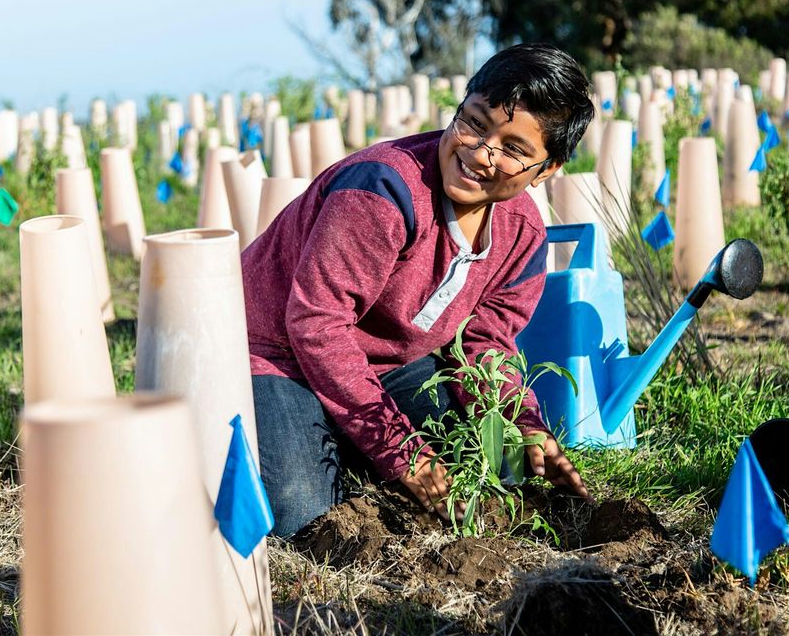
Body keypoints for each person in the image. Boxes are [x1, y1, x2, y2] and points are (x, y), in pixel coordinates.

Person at [242, 43, 596, 538]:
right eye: (474, 122)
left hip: (388, 365)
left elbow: (487, 343)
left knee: (488, 469)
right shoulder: (382, 192)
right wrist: (402, 455)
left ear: (548, 168)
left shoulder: (522, 235)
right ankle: (327, 439)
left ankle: (347, 438)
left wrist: (525, 425)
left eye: (514, 149)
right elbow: (317, 326)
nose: (479, 152)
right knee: (305, 516)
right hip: (278, 354)